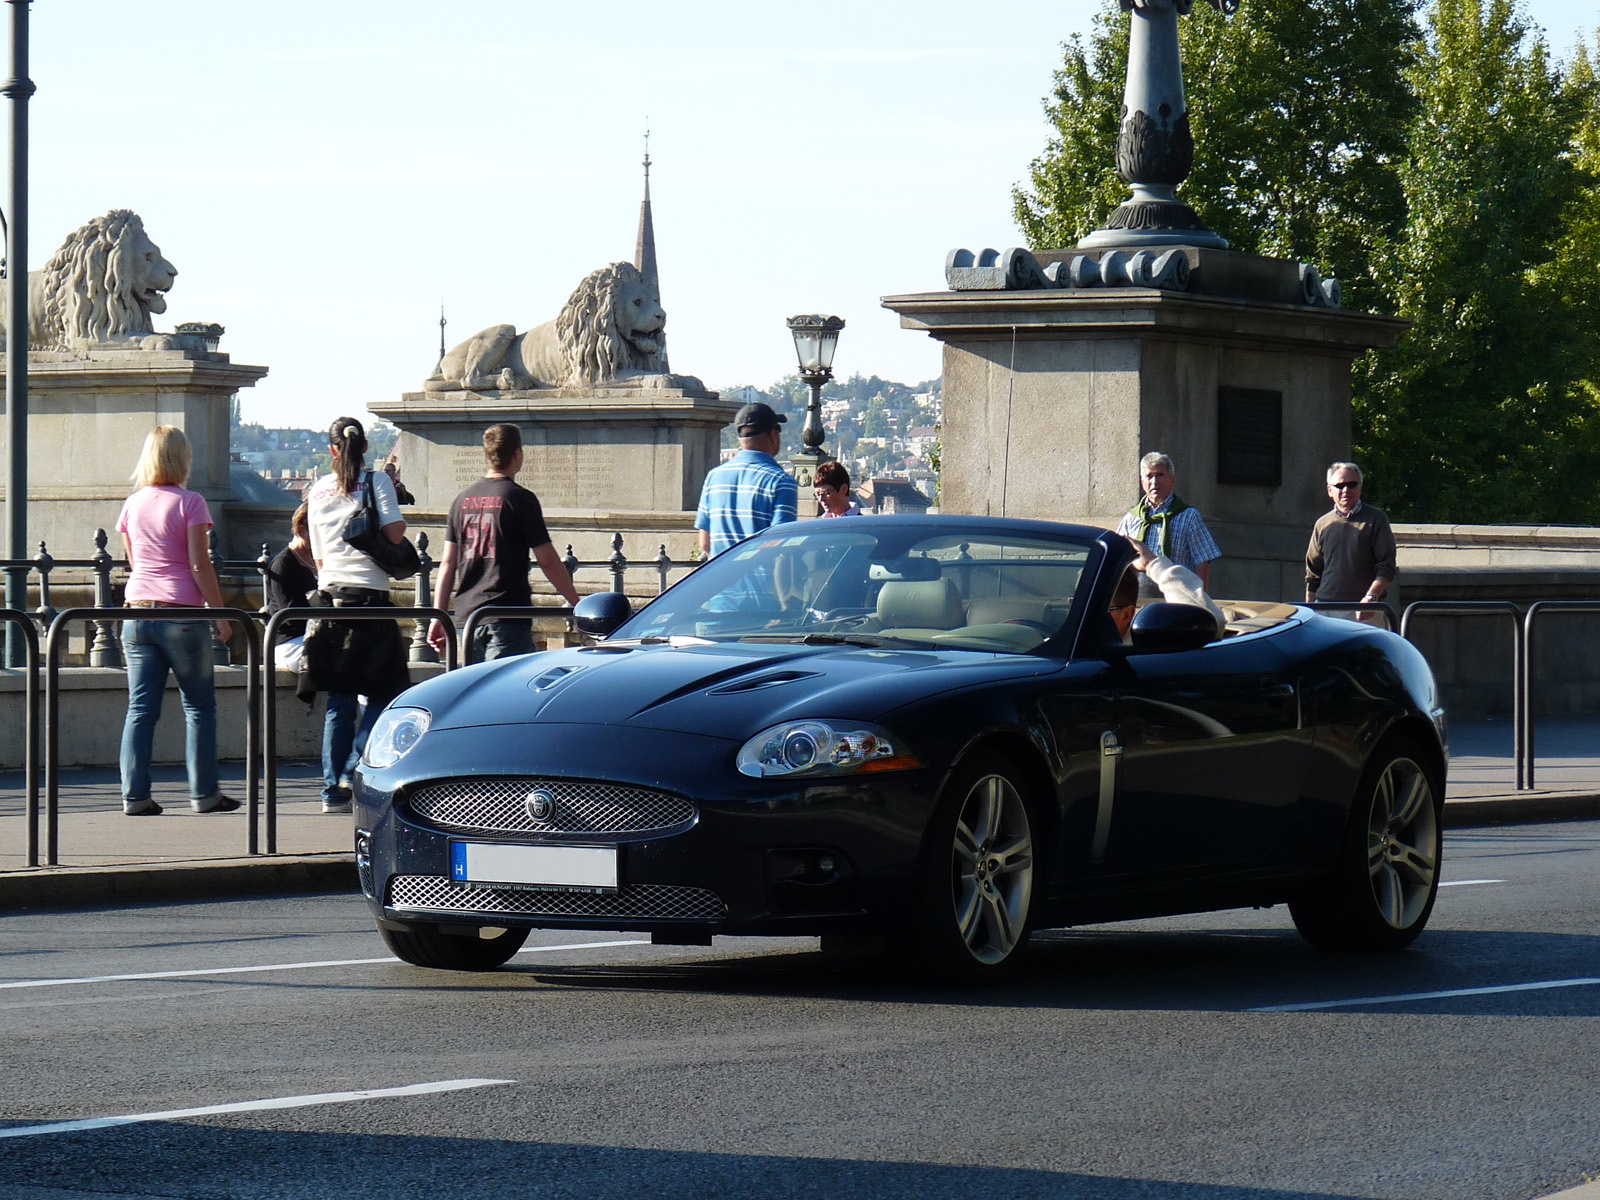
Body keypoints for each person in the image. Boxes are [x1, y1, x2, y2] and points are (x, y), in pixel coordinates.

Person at [114, 426, 239, 816]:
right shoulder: (191, 502)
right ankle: (204, 794)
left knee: (140, 708)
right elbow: (199, 564)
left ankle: (135, 796)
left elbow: (135, 560)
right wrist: (220, 614)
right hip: (182, 613)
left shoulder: (133, 504)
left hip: (137, 611)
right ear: (183, 459)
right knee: (199, 707)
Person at [303, 416, 411, 814]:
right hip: (371, 599)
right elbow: (396, 534)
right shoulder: (376, 482)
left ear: (332, 450)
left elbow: (316, 556)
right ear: (364, 447)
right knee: (386, 690)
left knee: (340, 698)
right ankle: (352, 767)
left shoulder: (316, 491)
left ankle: (332, 788)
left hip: (332, 600)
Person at [428, 423, 579, 662]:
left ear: (488, 456)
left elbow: (448, 564)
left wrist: (438, 616)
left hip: (468, 618)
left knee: (474, 692)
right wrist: (576, 603)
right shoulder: (520, 498)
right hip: (507, 614)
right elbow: (548, 561)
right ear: (517, 454)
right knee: (506, 694)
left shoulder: (461, 501)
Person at [695, 402, 799, 558]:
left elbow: (705, 543)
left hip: (721, 579)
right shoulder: (781, 482)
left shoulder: (714, 477)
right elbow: (780, 545)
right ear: (772, 435)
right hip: (762, 581)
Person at [1115, 451, 1221, 590]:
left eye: (1159, 475)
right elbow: (1117, 559)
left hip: (1177, 595)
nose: (1154, 482)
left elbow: (1202, 562)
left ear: (1172, 480)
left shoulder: (1188, 516)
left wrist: (1200, 601)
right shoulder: (1131, 518)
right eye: (1149, 476)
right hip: (1138, 599)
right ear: (1142, 482)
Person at [1306, 461, 1396, 617]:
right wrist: (1309, 611)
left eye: (1352, 484)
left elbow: (1387, 566)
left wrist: (1371, 598)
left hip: (1364, 610)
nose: (1346, 490)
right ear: (1329, 490)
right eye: (1340, 486)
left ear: (1360, 488)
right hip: (1325, 610)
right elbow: (1313, 574)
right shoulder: (1323, 524)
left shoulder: (1376, 519)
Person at [1108, 538, 1227, 644]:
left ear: (1126, 615)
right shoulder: (1132, 518)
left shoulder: (1144, 644)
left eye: (1096, 608)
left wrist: (1152, 564)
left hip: (1176, 602)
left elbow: (1209, 621)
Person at [264, 502, 318, 672]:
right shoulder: (283, 564)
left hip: (314, 635)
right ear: (301, 529)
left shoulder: (317, 559)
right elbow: (291, 612)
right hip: (290, 641)